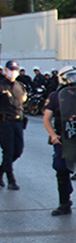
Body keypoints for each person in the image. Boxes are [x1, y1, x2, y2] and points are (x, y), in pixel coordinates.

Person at [43, 66, 76, 218]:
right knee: (61, 170)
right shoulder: (55, 96)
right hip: (63, 139)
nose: (75, 79)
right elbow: (47, 119)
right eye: (71, 76)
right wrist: (53, 135)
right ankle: (64, 204)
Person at [0, 60, 27, 190]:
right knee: (8, 151)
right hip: (5, 122)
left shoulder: (20, 86)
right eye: (11, 70)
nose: (13, 72)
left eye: (15, 70)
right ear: (6, 70)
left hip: (18, 122)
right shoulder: (1, 86)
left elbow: (23, 100)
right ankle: (11, 179)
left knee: (18, 151)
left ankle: (1, 171)